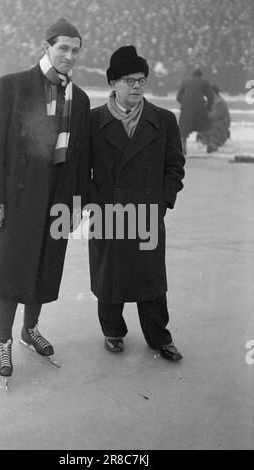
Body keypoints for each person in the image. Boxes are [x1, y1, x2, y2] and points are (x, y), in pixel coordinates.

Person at [0, 18, 90, 382]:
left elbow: (80, 159)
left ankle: (30, 329)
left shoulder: (80, 99)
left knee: (43, 267)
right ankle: (3, 340)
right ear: (47, 47)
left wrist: (74, 203)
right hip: (16, 199)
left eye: (75, 51)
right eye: (63, 49)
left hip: (55, 198)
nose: (69, 56)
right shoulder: (11, 86)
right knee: (10, 271)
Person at [88, 46, 185, 361]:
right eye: (129, 80)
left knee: (151, 279)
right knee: (109, 277)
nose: (137, 86)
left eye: (141, 79)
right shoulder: (92, 121)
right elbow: (80, 169)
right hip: (108, 214)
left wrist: (162, 202)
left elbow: (174, 166)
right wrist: (95, 203)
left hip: (147, 213)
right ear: (113, 83)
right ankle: (113, 331)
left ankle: (159, 337)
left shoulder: (164, 120)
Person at [177, 68, 214, 154]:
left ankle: (183, 148)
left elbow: (178, 97)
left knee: (183, 129)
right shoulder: (204, 82)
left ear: (192, 75)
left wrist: (184, 105)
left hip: (186, 107)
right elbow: (210, 96)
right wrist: (208, 108)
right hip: (199, 106)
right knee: (207, 125)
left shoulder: (185, 82)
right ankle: (209, 146)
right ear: (201, 76)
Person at [197, 85, 230, 151]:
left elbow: (213, 116)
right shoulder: (213, 101)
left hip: (220, 128)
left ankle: (213, 143)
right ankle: (206, 141)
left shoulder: (220, 103)